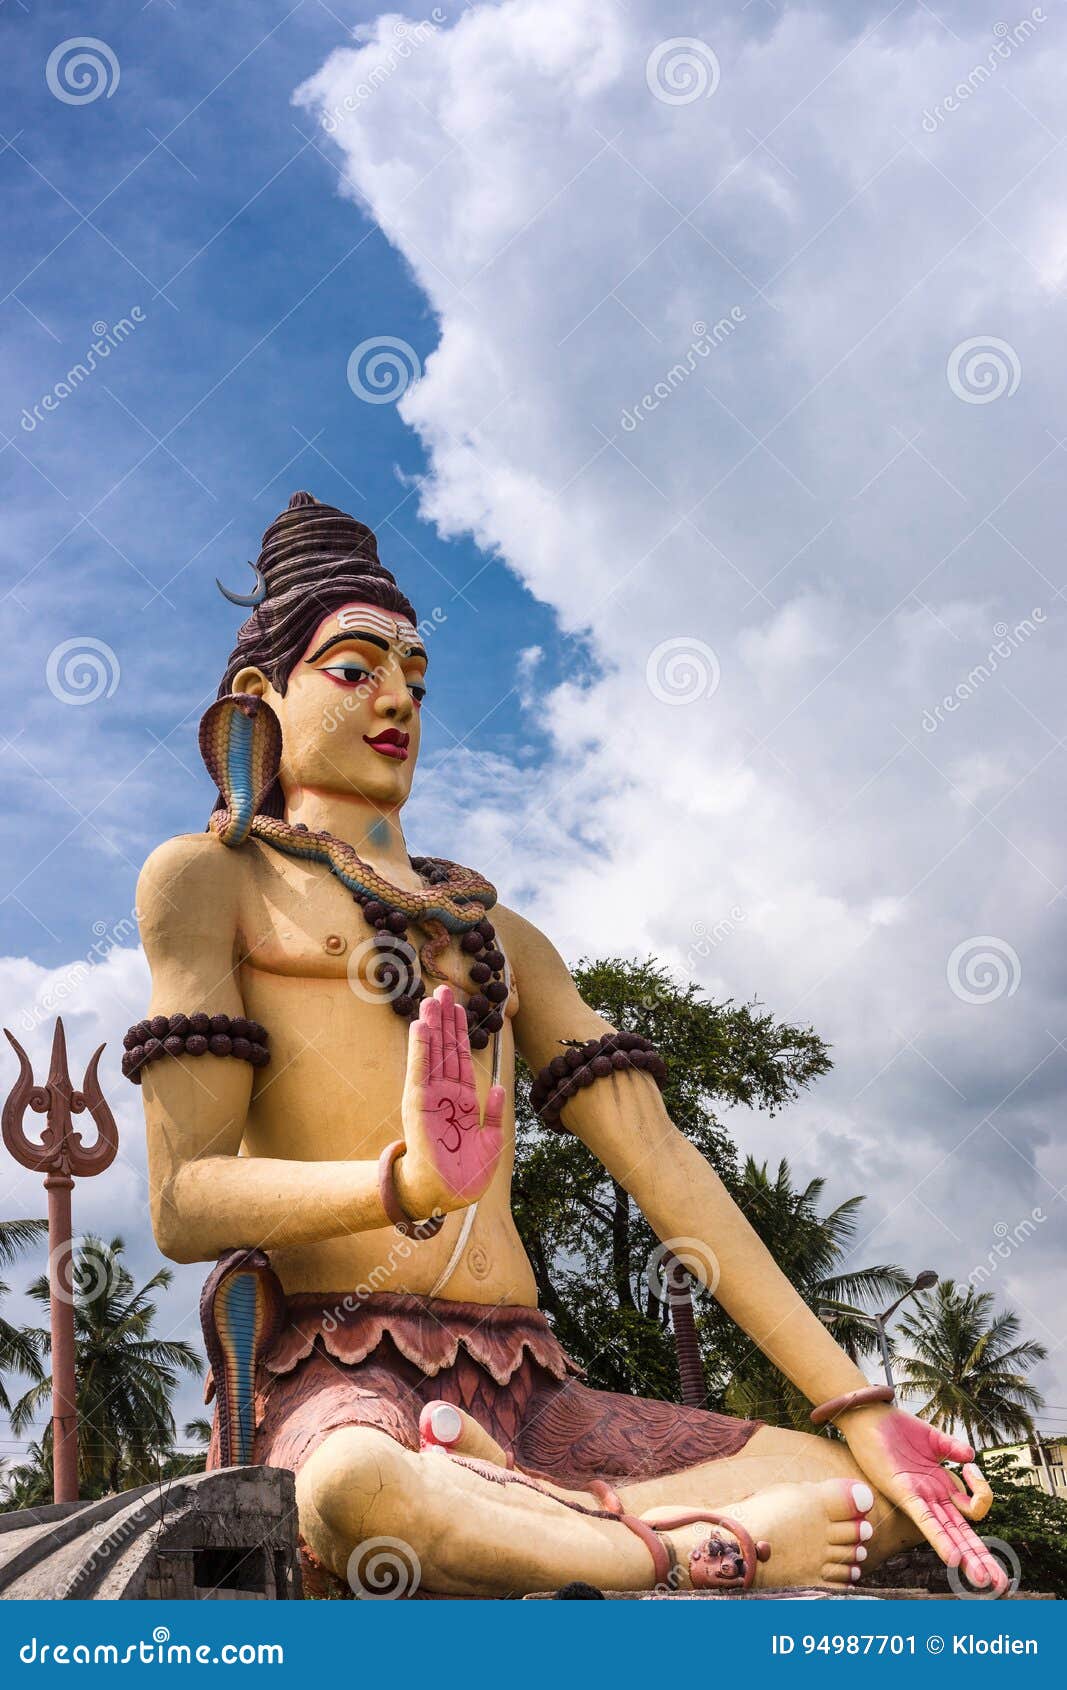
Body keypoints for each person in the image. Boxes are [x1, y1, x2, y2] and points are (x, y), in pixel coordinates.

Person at [133, 492, 1001, 1597]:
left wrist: (861, 1409)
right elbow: (183, 1200)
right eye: (354, 668)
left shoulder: (504, 936)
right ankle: (679, 1552)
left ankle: (543, 1513)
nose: (397, 697)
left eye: (413, 675)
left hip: (535, 1392)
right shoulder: (209, 882)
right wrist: (397, 1183)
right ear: (260, 698)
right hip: (351, 1382)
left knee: (881, 1498)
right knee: (357, 1494)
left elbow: (662, 1164)